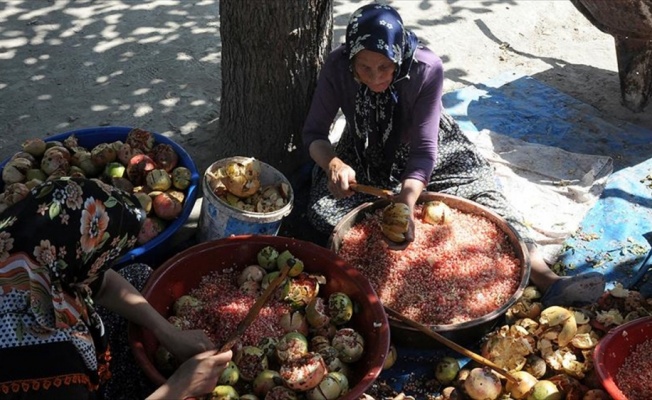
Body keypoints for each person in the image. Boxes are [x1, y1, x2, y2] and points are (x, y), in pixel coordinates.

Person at [301, 2, 605, 308]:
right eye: (364, 68)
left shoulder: (425, 68)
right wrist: (334, 164)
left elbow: (423, 152)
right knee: (322, 212)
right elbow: (314, 134)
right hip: (365, 150)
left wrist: (405, 204)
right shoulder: (337, 66)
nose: (375, 77)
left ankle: (545, 278)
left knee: (487, 196)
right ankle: (376, 283)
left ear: (400, 55)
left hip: (431, 149)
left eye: (385, 67)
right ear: (351, 58)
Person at [0, 177, 231, 400]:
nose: (103, 264)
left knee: (137, 273)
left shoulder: (21, 245)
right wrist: (181, 385)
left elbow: (103, 282)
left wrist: (167, 332)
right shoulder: (53, 364)